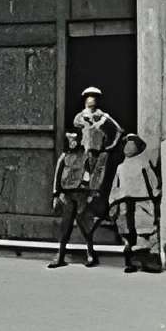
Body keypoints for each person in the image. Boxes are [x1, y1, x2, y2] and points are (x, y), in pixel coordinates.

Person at [49, 85, 119, 267]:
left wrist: (90, 191)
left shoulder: (85, 156)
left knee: (83, 223)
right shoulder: (65, 156)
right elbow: (58, 173)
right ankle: (60, 255)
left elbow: (89, 173)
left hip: (80, 192)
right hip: (67, 193)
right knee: (66, 224)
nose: (74, 141)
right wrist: (57, 193)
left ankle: (90, 253)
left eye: (76, 138)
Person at [108, 132, 161, 272]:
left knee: (143, 231)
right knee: (128, 233)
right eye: (127, 143)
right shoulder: (121, 167)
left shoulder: (143, 164)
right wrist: (113, 202)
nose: (128, 146)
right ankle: (130, 261)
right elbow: (115, 185)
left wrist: (155, 194)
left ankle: (146, 261)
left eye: (132, 144)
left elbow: (152, 181)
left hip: (141, 202)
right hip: (125, 202)